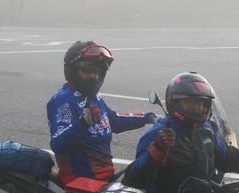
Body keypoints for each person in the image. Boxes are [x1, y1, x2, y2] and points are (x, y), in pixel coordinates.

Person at [46, 41, 157, 185]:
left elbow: (113, 120)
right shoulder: (64, 101)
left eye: (97, 72)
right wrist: (83, 123)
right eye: (87, 71)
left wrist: (147, 118)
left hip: (104, 178)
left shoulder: (92, 96)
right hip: (82, 183)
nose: (94, 76)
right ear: (73, 71)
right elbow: (57, 144)